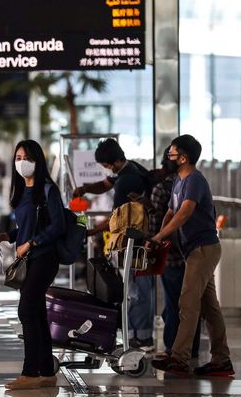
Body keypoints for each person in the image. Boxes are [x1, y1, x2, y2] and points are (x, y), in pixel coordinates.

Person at [150, 135, 234, 377]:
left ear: (184, 158)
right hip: (194, 250)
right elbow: (170, 211)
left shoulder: (195, 180)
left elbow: (185, 213)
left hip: (203, 249)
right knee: (210, 308)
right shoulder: (178, 179)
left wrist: (160, 236)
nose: (169, 156)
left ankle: (179, 358)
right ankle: (221, 360)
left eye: (173, 153)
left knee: (187, 303)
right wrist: (161, 234)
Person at [0, 140, 65, 390]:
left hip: (44, 258)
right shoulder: (22, 191)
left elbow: (57, 226)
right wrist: (7, 237)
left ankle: (30, 373)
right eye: (18, 157)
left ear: (38, 160)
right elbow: (26, 226)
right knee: (36, 313)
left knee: (26, 311)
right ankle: (46, 371)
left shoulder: (47, 190)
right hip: (28, 259)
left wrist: (31, 243)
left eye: (27, 157)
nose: (22, 162)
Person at [72, 138, 151, 348]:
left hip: (135, 242)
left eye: (106, 165)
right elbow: (105, 184)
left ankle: (141, 336)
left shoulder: (128, 180)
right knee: (135, 290)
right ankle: (137, 334)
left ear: (115, 161)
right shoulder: (127, 170)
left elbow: (117, 219)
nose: (105, 169)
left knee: (135, 292)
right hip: (136, 240)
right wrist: (85, 188)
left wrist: (89, 231)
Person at [146, 149, 202, 359]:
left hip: (171, 253)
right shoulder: (185, 183)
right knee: (189, 302)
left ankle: (172, 347)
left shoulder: (161, 189)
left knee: (172, 301)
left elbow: (160, 220)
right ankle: (192, 347)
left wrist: (155, 240)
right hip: (189, 249)